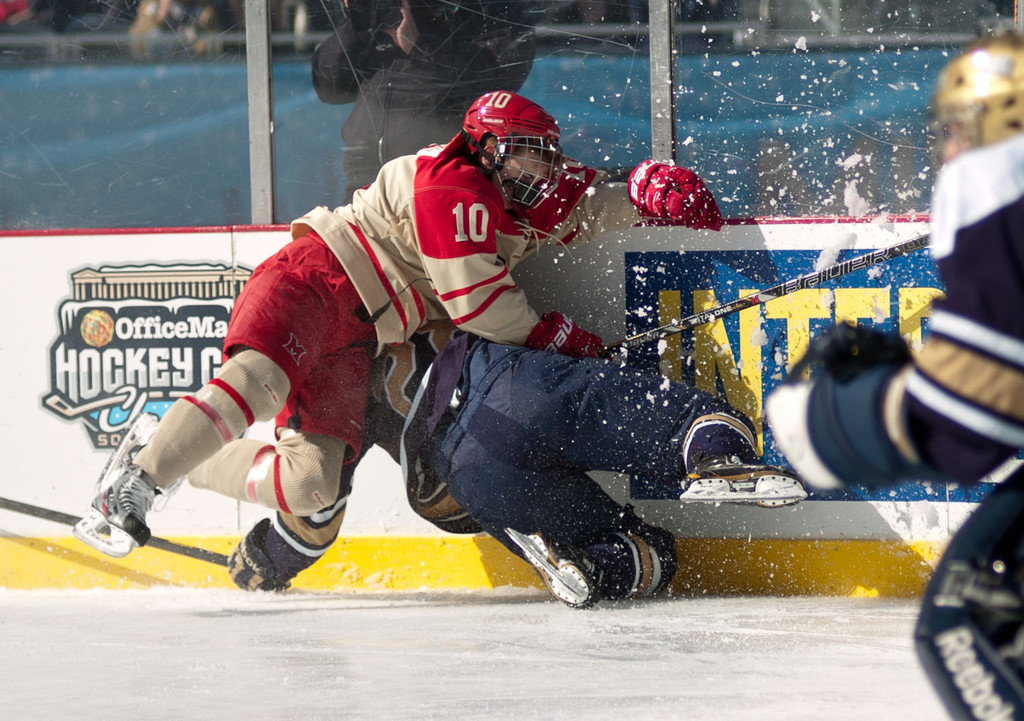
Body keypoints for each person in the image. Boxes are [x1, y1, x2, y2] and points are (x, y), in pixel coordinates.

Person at [73, 90, 725, 561]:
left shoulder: (510, 189)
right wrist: (559, 338)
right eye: (531, 153)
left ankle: (166, 449)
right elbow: (478, 308)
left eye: (549, 153)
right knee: (258, 383)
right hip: (317, 278)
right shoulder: (453, 186)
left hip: (360, 337)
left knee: (311, 485)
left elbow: (580, 206)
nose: (546, 166)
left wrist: (642, 195)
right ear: (491, 148)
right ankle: (135, 486)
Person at [765, 32, 1024, 721]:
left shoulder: (1006, 192)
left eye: (962, 131)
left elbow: (970, 422)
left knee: (962, 621)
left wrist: (831, 419)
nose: (948, 152)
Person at [228, 326, 807, 608]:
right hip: (501, 384)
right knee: (675, 419)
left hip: (468, 473)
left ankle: (596, 564)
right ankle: (716, 457)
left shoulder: (310, 406)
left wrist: (266, 557)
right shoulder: (367, 293)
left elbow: (316, 509)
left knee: (646, 549)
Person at [312, 0, 538, 201]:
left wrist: (419, 47)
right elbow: (328, 86)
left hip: (440, 186)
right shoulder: (385, 15)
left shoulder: (488, 10)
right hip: (364, 186)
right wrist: (358, 21)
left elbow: (497, 80)